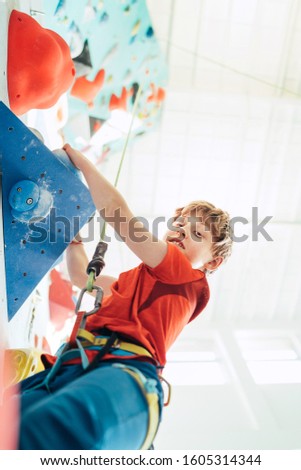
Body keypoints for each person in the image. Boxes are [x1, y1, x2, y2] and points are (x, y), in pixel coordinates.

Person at [14, 144, 233, 450]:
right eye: (180, 225)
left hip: (125, 375)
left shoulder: (185, 275)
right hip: (72, 366)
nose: (182, 232)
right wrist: (73, 235)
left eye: (197, 235)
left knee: (47, 431)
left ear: (212, 263)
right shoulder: (130, 286)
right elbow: (81, 278)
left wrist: (82, 162)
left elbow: (119, 215)